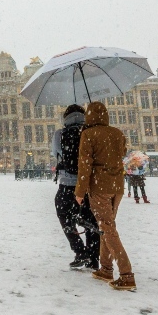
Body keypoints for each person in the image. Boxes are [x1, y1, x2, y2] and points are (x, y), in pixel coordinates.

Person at [75, 102, 134, 291]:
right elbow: (121, 154)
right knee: (107, 226)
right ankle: (106, 268)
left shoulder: (88, 134)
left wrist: (79, 191)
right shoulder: (117, 133)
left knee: (107, 228)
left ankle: (126, 274)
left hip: (99, 186)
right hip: (117, 186)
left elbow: (85, 164)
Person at [52, 105, 100, 269]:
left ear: (66, 117)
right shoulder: (91, 132)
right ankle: (94, 258)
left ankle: (80, 251)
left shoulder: (60, 134)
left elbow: (56, 153)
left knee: (64, 216)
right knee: (91, 220)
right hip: (87, 185)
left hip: (67, 184)